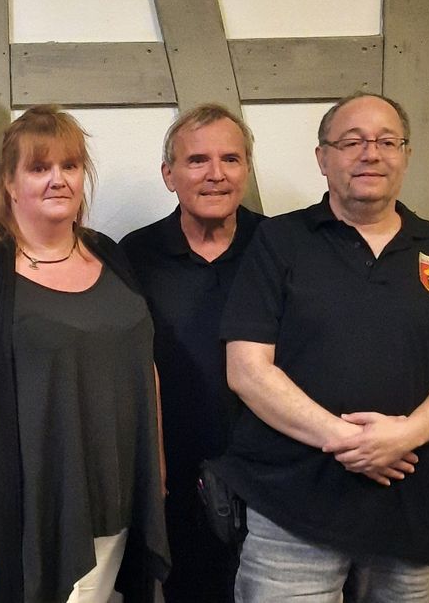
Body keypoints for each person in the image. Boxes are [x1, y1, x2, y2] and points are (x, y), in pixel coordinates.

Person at [215, 93, 429, 602]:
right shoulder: (280, 241)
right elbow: (246, 369)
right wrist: (353, 443)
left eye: (386, 141)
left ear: (405, 155)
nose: (370, 153)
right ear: (323, 158)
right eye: (351, 142)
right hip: (293, 509)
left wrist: (404, 434)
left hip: (410, 510)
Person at [0, 105, 169, 602]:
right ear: (10, 183)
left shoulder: (107, 253)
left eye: (69, 166)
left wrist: (155, 471)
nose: (58, 179)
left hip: (118, 506)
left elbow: (144, 365)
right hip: (25, 517)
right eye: (39, 167)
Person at [120, 103, 265, 602]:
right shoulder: (133, 255)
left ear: (246, 169)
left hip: (272, 478)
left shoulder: (279, 249)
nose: (215, 174)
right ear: (169, 174)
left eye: (231, 159)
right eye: (197, 160)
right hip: (173, 480)